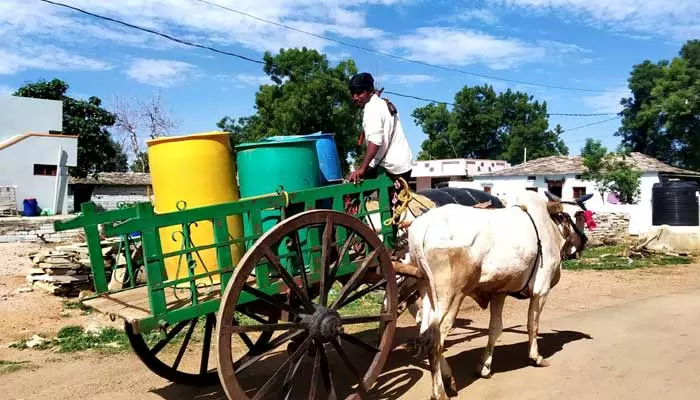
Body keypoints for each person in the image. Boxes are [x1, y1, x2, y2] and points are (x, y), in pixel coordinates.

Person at [346, 72, 413, 185]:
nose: (355, 97)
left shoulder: (372, 108)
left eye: (359, 93)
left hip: (392, 168)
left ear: (369, 91)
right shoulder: (383, 103)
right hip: (400, 165)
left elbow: (376, 141)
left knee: (350, 191)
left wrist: (362, 169)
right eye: (353, 93)